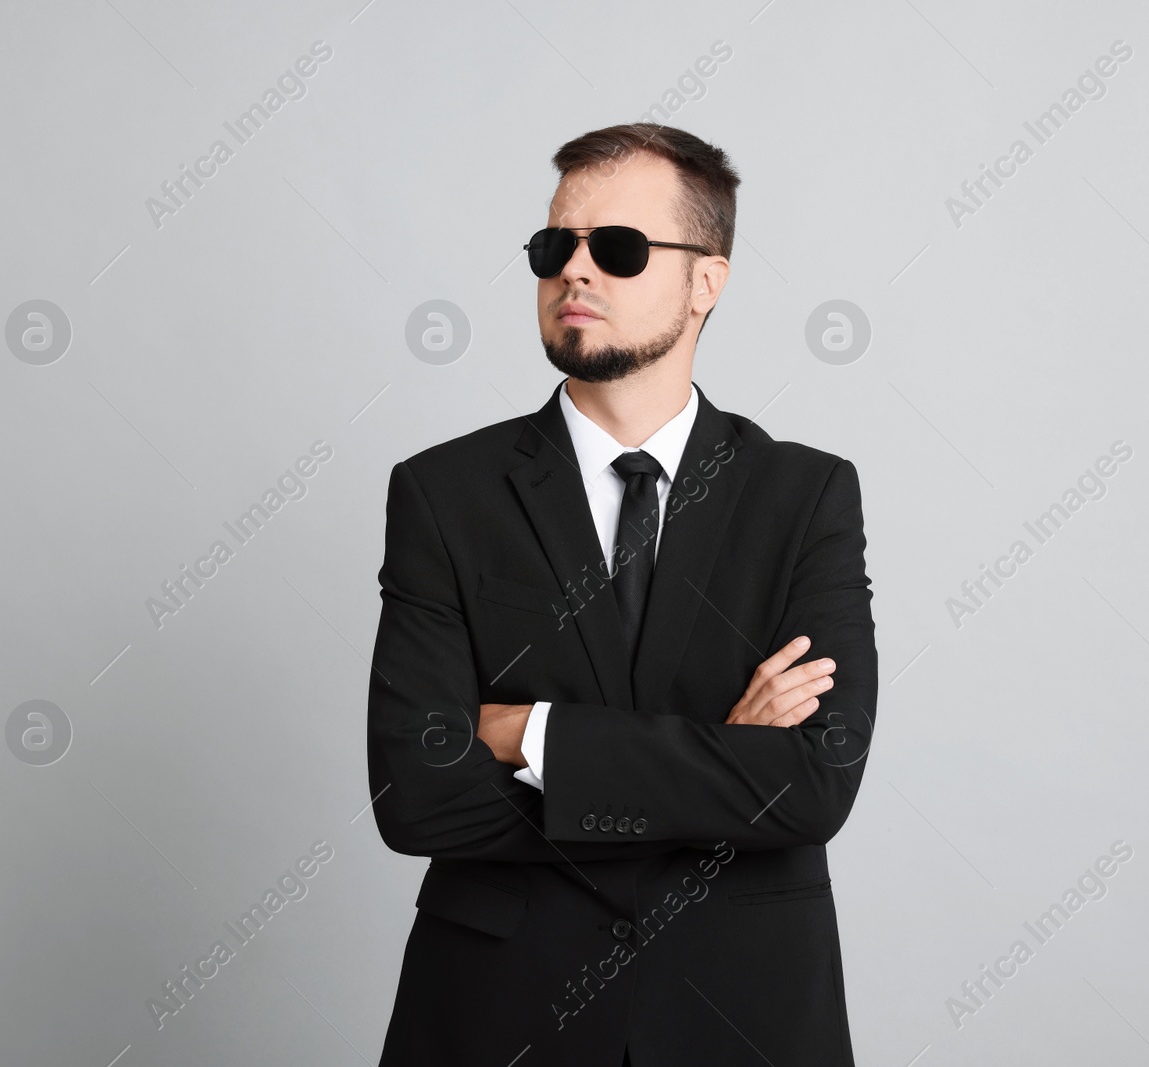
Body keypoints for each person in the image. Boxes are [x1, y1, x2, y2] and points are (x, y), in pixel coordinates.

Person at [369, 122, 877, 1066]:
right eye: (555, 246)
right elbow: (418, 797)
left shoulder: (805, 496)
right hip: (497, 1014)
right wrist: (725, 765)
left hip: (743, 1013)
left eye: (619, 248)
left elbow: (812, 783)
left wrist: (534, 737)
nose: (576, 272)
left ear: (706, 282)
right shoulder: (443, 493)